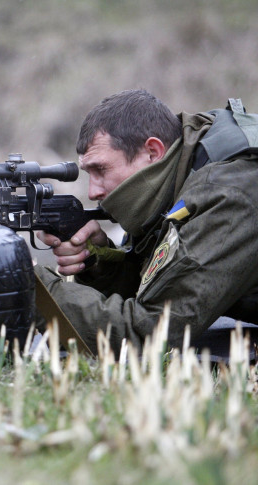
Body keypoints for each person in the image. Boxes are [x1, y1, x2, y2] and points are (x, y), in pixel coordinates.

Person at [35, 89, 258, 354]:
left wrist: (32, 288)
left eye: (101, 170)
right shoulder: (177, 172)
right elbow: (155, 291)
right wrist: (101, 263)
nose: (93, 192)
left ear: (153, 152)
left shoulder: (228, 192)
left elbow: (149, 335)